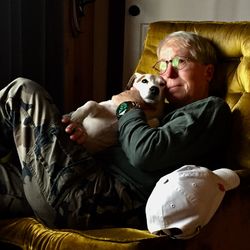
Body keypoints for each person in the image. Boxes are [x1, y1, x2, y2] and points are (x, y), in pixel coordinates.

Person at [0, 31, 232, 230]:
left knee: (23, 91)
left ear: (208, 72)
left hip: (94, 198)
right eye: (163, 65)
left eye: (180, 62)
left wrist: (128, 105)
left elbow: (144, 153)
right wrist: (81, 140)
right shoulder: (160, 114)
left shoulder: (210, 110)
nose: (168, 74)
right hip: (76, 179)